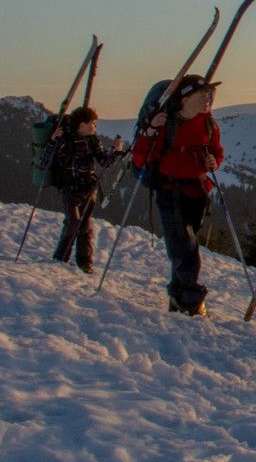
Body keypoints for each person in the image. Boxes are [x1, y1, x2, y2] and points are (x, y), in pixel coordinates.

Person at [133, 75, 225, 315]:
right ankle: (192, 301)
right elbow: (142, 158)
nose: (209, 99)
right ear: (184, 99)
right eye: (202, 95)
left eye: (209, 95)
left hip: (197, 190)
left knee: (184, 243)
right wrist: (152, 130)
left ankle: (177, 296)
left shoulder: (209, 124)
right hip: (170, 192)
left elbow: (217, 152)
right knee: (185, 246)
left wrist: (212, 162)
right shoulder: (165, 124)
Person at [49, 106, 126, 273]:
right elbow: (47, 160)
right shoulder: (65, 140)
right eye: (93, 124)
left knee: (83, 225)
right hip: (72, 189)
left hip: (88, 189)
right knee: (74, 223)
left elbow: (105, 162)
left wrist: (116, 150)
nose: (95, 128)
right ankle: (63, 258)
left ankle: (81, 262)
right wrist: (53, 141)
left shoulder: (91, 140)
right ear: (82, 124)